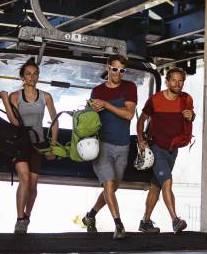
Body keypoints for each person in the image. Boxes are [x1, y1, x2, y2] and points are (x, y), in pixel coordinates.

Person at [0, 57, 58, 234]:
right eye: (28, 74)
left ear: (38, 76)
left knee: (33, 184)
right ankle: (19, 219)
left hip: (38, 144)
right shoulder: (15, 96)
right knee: (24, 178)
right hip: (20, 143)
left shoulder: (46, 97)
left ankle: (27, 215)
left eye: (35, 74)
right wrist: (5, 101)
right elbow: (14, 122)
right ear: (22, 77)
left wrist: (53, 147)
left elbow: (54, 122)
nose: (32, 77)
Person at [82, 54, 137, 239]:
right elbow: (90, 119)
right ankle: (119, 225)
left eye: (122, 70)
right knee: (109, 183)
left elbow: (129, 115)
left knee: (111, 189)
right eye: (115, 69)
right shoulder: (97, 91)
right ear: (108, 68)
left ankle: (90, 216)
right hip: (102, 145)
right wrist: (92, 109)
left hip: (123, 145)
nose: (118, 73)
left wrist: (106, 105)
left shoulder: (130, 88)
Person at [137, 67, 195, 234]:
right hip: (156, 148)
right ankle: (175, 220)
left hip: (173, 149)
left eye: (180, 81)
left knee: (156, 186)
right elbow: (141, 121)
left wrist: (192, 116)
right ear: (167, 81)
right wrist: (141, 139)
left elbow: (191, 116)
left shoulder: (186, 99)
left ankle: (145, 222)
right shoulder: (155, 100)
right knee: (167, 181)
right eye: (174, 80)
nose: (177, 84)